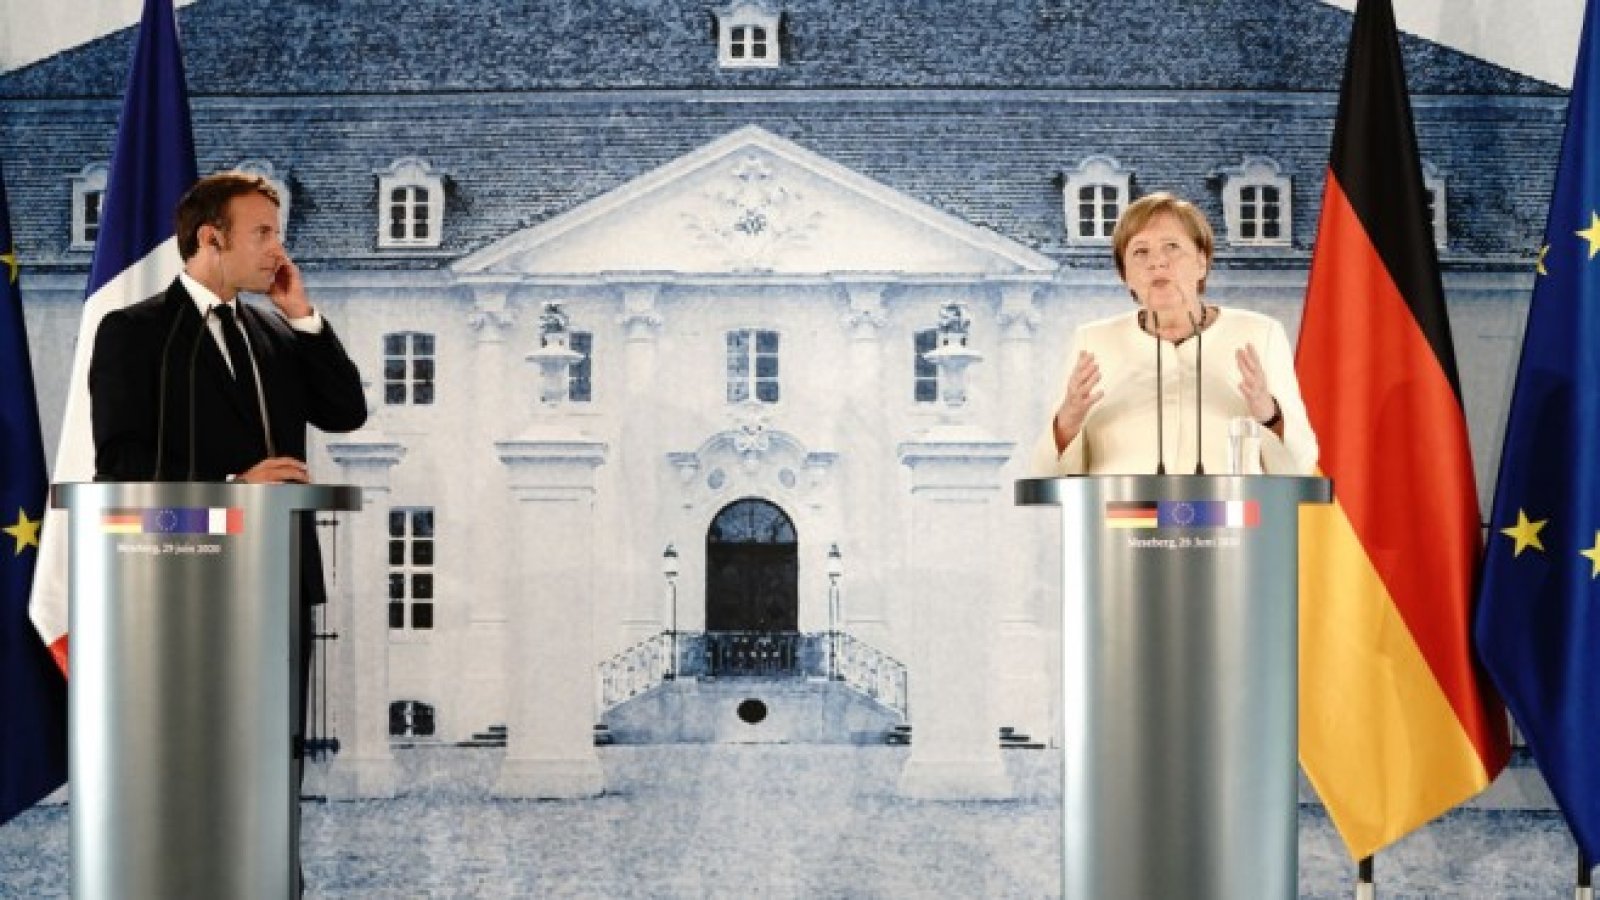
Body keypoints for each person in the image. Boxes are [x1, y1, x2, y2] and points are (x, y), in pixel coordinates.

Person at [88, 171, 367, 894]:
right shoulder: (134, 332)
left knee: (272, 773)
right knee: (195, 772)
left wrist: (303, 316)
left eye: (279, 233)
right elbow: (119, 462)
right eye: (263, 234)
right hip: (183, 582)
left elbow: (346, 412)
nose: (279, 250)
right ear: (210, 238)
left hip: (278, 581)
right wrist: (233, 488)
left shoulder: (276, 333)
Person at [1030, 192, 1317, 476]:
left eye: (1172, 247)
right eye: (1140, 252)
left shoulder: (1259, 335)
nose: (1157, 262)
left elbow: (1300, 464)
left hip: (1229, 507)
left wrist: (1269, 414)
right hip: (1121, 507)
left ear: (1201, 262)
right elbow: (1046, 473)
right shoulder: (1093, 342)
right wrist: (1068, 420)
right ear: (1125, 274)